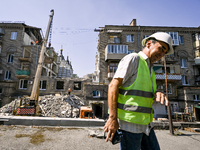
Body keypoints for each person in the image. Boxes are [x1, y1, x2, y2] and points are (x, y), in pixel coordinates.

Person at [104, 32, 174, 150]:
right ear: (149, 44)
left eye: (165, 52)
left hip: (146, 125)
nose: (162, 54)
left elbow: (144, 94)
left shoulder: (150, 69)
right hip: (129, 126)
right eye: (161, 49)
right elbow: (113, 86)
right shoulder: (134, 59)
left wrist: (157, 94)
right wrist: (112, 118)